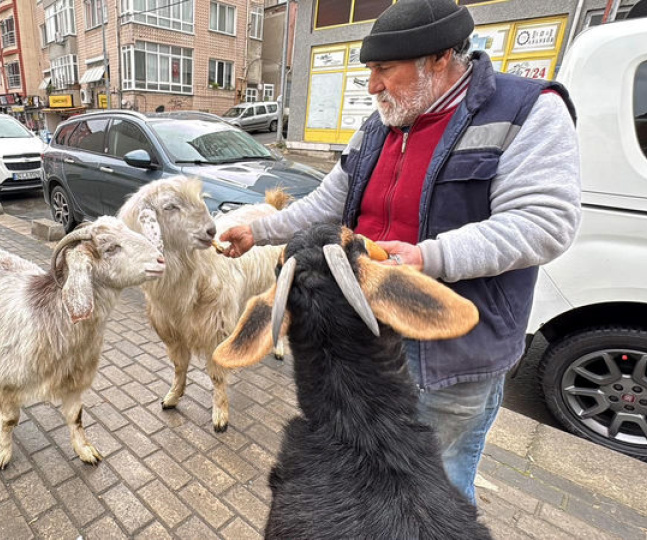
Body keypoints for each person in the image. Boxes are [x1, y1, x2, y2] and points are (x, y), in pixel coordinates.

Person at [220, 0, 581, 503]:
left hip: (455, 351)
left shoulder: (528, 110)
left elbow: (545, 223)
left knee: (441, 488)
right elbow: (331, 201)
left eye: (384, 70)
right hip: (373, 338)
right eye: (370, 71)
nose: (371, 86)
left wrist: (425, 257)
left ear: (437, 59)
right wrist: (259, 232)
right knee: (370, 479)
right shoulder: (381, 123)